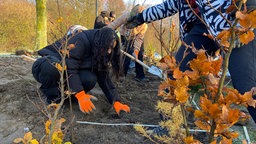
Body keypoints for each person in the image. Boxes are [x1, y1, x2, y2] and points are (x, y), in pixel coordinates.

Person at [125, 0, 256, 132]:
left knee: (245, 85)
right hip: (204, 26)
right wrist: (141, 17)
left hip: (234, 23)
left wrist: (248, 13)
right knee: (176, 73)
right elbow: (171, 5)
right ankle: (169, 127)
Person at [32, 27, 130, 115]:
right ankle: (52, 96)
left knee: (90, 78)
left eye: (111, 48)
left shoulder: (100, 50)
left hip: (66, 72)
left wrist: (116, 101)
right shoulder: (81, 40)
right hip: (44, 66)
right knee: (53, 68)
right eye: (107, 48)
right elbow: (70, 67)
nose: (109, 51)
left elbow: (104, 78)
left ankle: (71, 97)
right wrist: (80, 94)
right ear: (100, 43)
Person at [108, 5, 148, 82]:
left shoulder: (144, 25)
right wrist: (104, 32)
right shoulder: (126, 16)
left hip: (137, 36)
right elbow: (114, 24)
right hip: (125, 36)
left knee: (140, 54)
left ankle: (140, 76)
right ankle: (122, 75)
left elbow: (139, 39)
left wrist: (136, 51)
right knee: (127, 54)